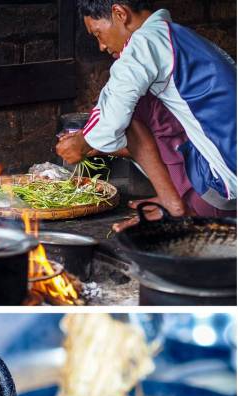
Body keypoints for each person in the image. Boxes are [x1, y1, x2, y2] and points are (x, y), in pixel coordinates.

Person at [56, 0, 236, 229]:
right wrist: (93, 141)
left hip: (222, 187)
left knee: (129, 108)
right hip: (229, 173)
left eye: (98, 34)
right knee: (144, 102)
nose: (101, 46)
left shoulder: (144, 42)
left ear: (120, 13)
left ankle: (174, 206)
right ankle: (171, 196)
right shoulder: (173, 36)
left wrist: (81, 142)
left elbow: (114, 116)